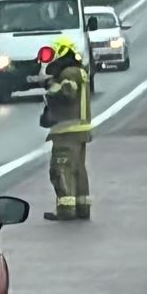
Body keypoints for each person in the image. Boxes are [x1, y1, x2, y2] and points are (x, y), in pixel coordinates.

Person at [40, 36, 93, 221]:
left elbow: (67, 92)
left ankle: (66, 210)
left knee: (61, 169)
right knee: (78, 170)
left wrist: (50, 87)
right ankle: (82, 208)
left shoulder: (68, 74)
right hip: (80, 130)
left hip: (67, 131)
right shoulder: (79, 71)